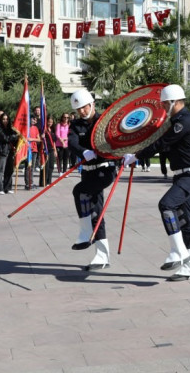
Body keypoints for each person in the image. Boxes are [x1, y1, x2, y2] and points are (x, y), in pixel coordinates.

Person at [126, 84, 190, 281]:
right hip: (183, 175)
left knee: (166, 204)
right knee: (187, 222)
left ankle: (179, 252)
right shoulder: (176, 121)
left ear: (174, 102)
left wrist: (136, 156)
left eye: (164, 103)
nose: (162, 107)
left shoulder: (183, 121)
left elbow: (161, 143)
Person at [67, 89, 118, 271]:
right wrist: (83, 152)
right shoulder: (75, 125)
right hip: (88, 171)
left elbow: (115, 139)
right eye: (78, 109)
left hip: (104, 171)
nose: (81, 111)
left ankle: (85, 231)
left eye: (84, 107)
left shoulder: (104, 121)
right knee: (96, 211)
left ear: (92, 104)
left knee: (79, 191)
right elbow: (71, 143)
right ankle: (102, 255)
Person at [0, 113, 18, 195]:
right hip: (2, 152)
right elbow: (6, 138)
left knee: (9, 170)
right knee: (0, 171)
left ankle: (7, 187)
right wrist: (14, 136)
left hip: (10, 152)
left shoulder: (11, 130)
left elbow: (14, 140)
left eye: (7, 119)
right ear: (1, 120)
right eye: (3, 119)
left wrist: (18, 137)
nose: (5, 121)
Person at [38, 115, 56, 187]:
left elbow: (54, 141)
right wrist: (41, 136)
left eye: (51, 122)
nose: (50, 123)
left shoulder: (52, 130)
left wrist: (55, 150)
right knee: (46, 166)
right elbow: (39, 138)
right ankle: (43, 182)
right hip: (45, 150)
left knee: (51, 166)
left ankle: (49, 181)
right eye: (49, 122)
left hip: (51, 150)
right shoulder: (43, 130)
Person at [24, 115, 41, 190]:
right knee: (28, 167)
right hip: (27, 150)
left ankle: (31, 182)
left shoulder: (35, 128)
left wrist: (31, 139)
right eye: (32, 119)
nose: (33, 121)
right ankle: (28, 183)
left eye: (34, 120)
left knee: (32, 167)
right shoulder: (25, 128)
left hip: (34, 150)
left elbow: (39, 139)